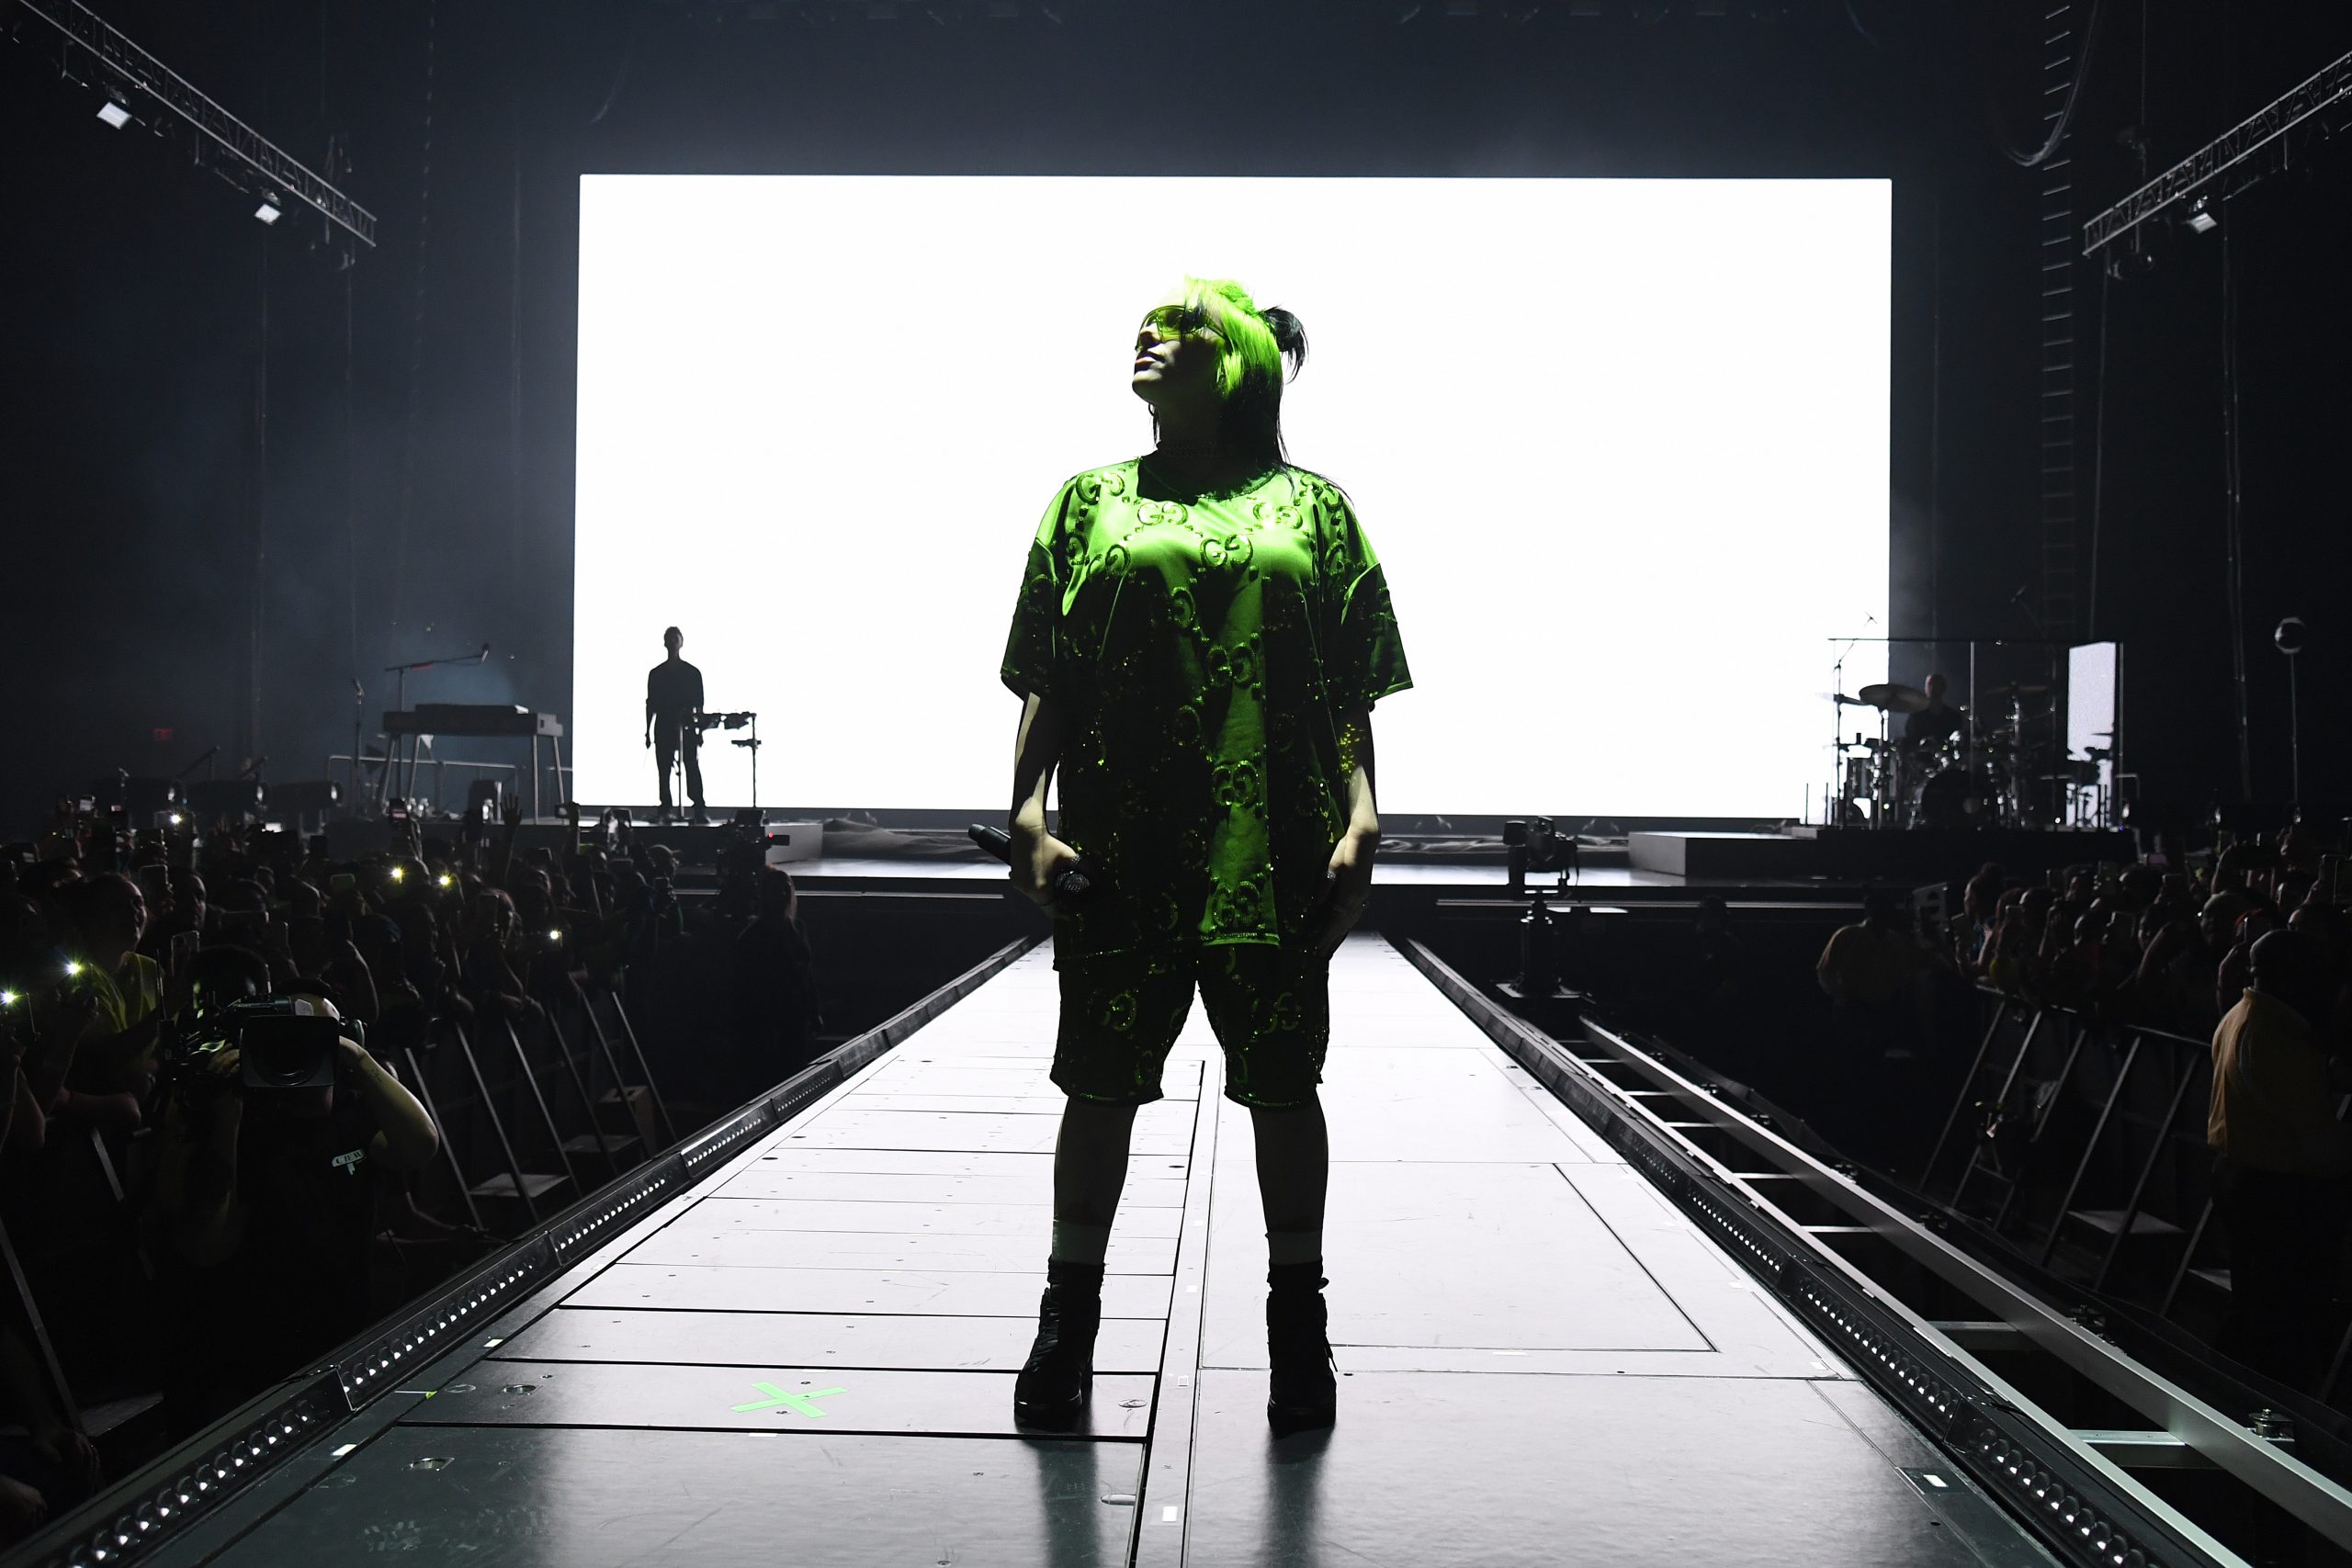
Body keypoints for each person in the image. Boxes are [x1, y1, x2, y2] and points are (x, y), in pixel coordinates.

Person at [1000, 277, 1410, 1439]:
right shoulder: (1088, 501)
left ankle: (1298, 1327)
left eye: (1179, 326)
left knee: (1283, 1087)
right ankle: (1066, 1325)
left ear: (1234, 362)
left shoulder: (1315, 509)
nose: (1149, 333)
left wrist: (1363, 812)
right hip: (1122, 848)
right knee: (1097, 1086)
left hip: (1273, 850)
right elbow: (1048, 674)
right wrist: (1025, 809)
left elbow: (1346, 685)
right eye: (1147, 322)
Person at [2205, 928, 2352, 1387]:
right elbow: (2313, 1132)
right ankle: (2266, 1397)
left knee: (2253, 1298)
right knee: (2280, 1310)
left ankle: (2229, 1389)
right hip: (2277, 1186)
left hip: (2240, 1172)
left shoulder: (2240, 1015)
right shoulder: (2275, 1035)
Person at [644, 626, 707, 825]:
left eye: (675, 638)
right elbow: (651, 704)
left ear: (681, 642)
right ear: (665, 643)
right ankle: (666, 807)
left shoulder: (692, 673)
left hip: (686, 725)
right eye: (669, 638)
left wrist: (700, 730)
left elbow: (699, 705)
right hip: (664, 724)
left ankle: (698, 808)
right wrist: (647, 731)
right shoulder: (656, 674)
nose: (672, 642)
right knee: (664, 769)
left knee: (691, 765)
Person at [1903, 671, 1965, 746]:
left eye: (1936, 684)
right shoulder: (1915, 716)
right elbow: (1910, 741)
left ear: (1943, 688)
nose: (1932, 687)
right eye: (1929, 684)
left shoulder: (1953, 716)